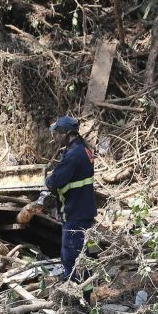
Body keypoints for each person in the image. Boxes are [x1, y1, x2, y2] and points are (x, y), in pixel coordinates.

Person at [45, 116, 97, 282]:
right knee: (83, 258)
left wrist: (48, 179)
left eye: (57, 134)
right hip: (83, 212)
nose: (56, 138)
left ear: (66, 133)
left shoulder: (74, 155)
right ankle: (86, 296)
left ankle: (73, 301)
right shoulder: (83, 150)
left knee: (71, 259)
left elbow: (54, 182)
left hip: (75, 214)